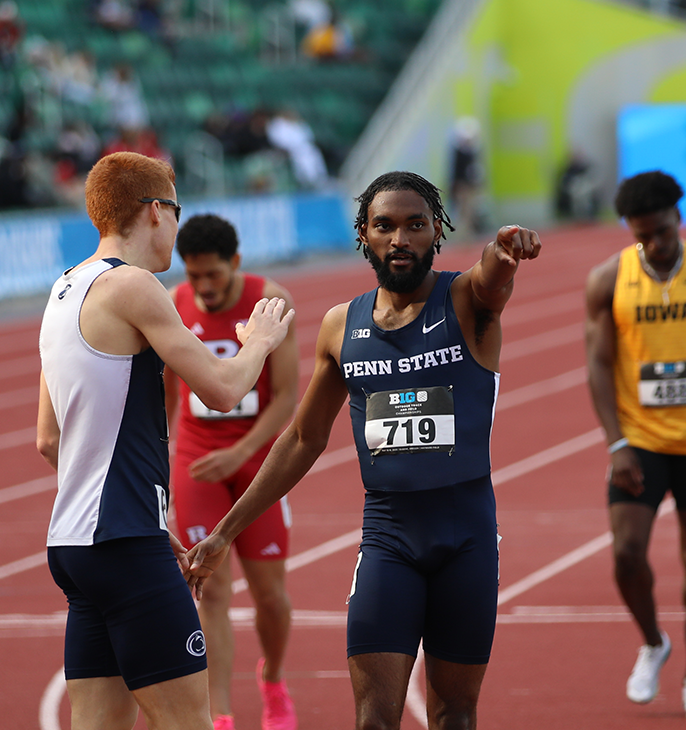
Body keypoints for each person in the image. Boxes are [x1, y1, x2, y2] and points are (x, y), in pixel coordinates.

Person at [185, 171, 542, 730]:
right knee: (374, 719)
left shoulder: (468, 300)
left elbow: (494, 277)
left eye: (415, 224)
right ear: (364, 235)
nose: (400, 238)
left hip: (466, 537)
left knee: (454, 714)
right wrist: (225, 533)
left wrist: (504, 249)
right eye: (385, 225)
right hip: (389, 537)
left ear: (437, 233)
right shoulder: (340, 328)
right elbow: (303, 438)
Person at [37, 151, 294, 730]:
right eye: (176, 214)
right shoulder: (133, 286)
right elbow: (224, 389)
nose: (175, 232)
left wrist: (146, 523)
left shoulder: (62, 291)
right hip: (123, 543)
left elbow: (47, 438)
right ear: (155, 211)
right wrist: (259, 339)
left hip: (75, 545)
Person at [584, 171, 686, 719]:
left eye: (661, 232)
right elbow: (599, 364)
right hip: (640, 442)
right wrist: (616, 444)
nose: (653, 245)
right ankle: (654, 642)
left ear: (679, 217)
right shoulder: (609, 279)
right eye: (642, 236)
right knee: (626, 554)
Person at [165, 214, 300, 730]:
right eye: (194, 276)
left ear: (235, 264)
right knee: (210, 591)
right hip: (197, 465)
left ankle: (274, 679)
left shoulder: (272, 300)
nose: (203, 288)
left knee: (270, 594)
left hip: (257, 465)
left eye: (214, 276)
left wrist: (241, 452)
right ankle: (220, 713)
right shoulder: (172, 303)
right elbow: (165, 397)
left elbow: (285, 395)